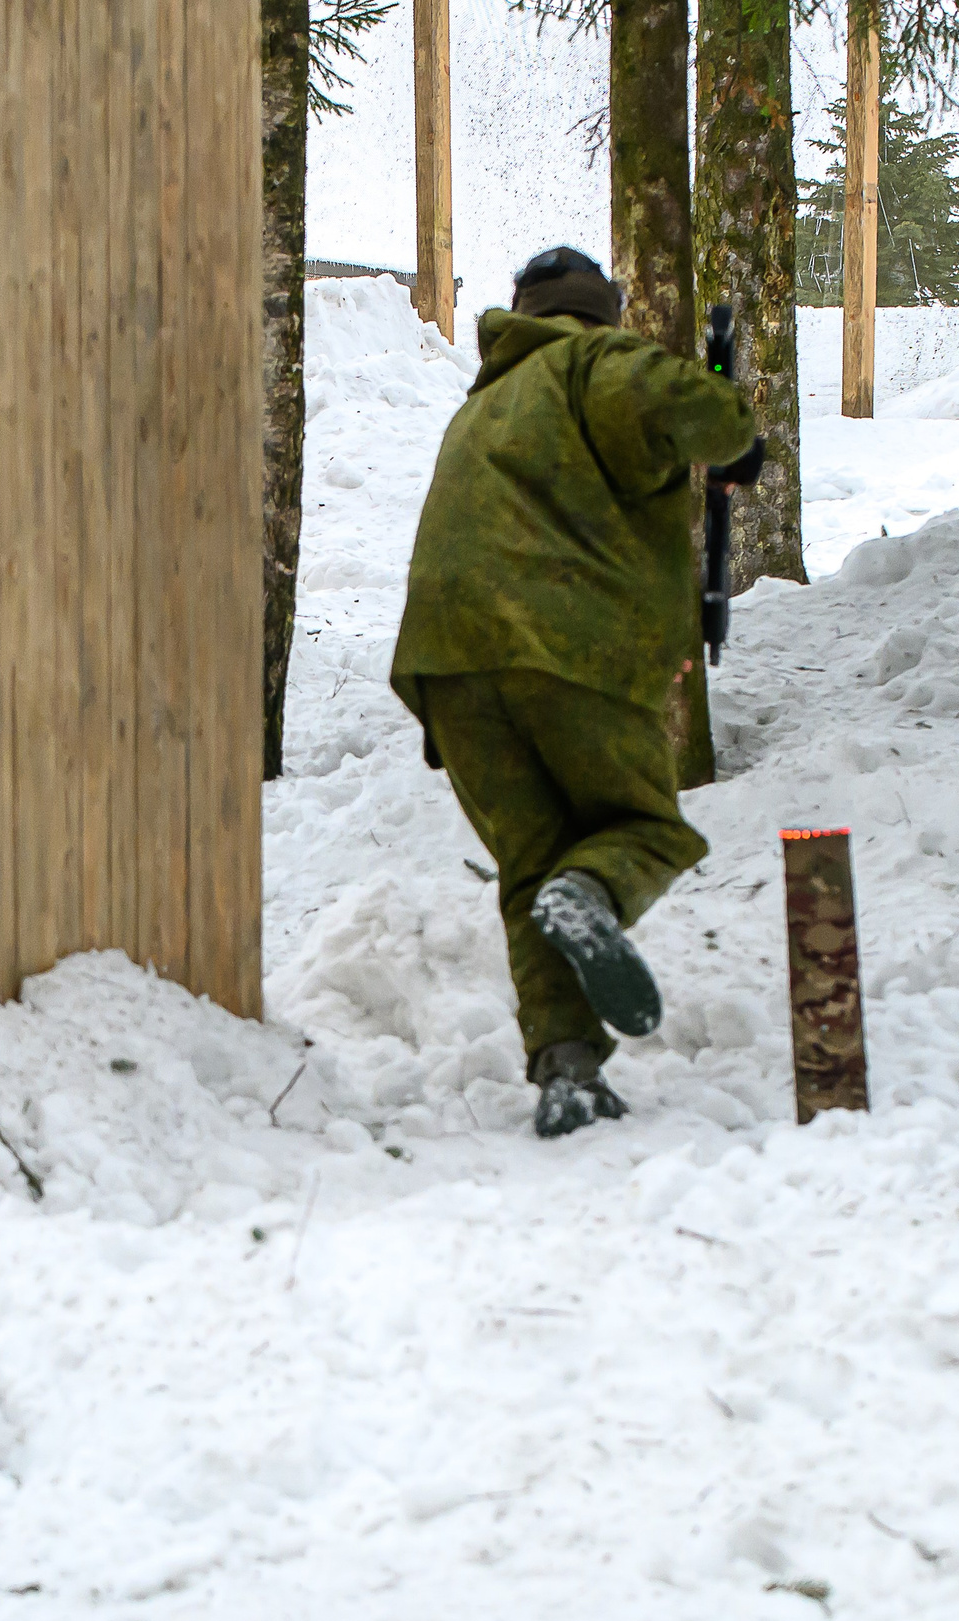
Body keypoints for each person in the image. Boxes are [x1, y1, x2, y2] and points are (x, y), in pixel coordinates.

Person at [389, 247, 760, 1138]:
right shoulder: (595, 360)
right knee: (640, 829)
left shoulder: (481, 407)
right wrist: (736, 436)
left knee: (534, 866)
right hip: (564, 644)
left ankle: (568, 1072)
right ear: (603, 313)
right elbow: (698, 412)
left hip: (450, 667)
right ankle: (591, 898)